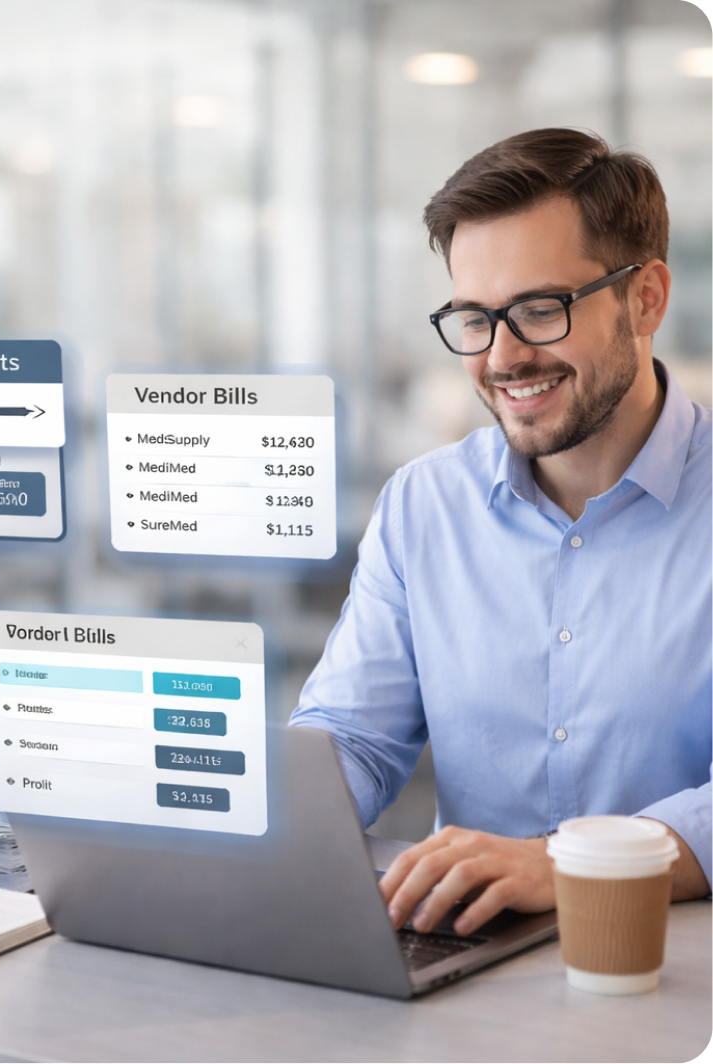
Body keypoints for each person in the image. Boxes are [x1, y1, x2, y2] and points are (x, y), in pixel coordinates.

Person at [290, 128, 712, 938]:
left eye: (538, 309)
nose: (502, 356)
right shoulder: (422, 506)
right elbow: (351, 734)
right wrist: (259, 826)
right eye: (473, 318)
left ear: (646, 298)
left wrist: (559, 863)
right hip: (468, 970)